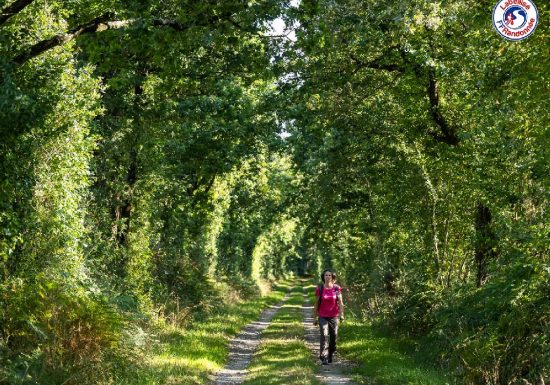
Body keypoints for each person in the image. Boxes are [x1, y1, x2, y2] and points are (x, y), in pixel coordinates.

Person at [313, 268, 344, 365]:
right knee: (324, 335)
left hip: (334, 316)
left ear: (332, 277)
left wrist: (342, 315)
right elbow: (316, 304)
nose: (327, 277)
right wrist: (315, 317)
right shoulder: (320, 288)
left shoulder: (336, 288)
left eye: (329, 275)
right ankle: (324, 356)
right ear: (323, 277)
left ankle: (330, 354)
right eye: (326, 275)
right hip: (322, 316)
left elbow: (341, 303)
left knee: (334, 337)